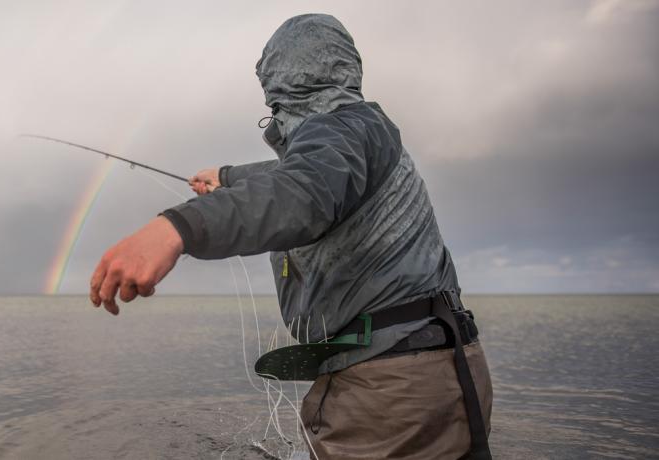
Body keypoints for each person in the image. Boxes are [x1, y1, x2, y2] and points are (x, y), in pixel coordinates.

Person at [89, 14, 493, 460]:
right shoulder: (361, 133)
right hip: (432, 366)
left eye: (274, 105)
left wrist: (175, 228)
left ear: (284, 90)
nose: (274, 115)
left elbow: (301, 192)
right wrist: (227, 177)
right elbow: (298, 174)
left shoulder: (344, 129)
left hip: (393, 388)